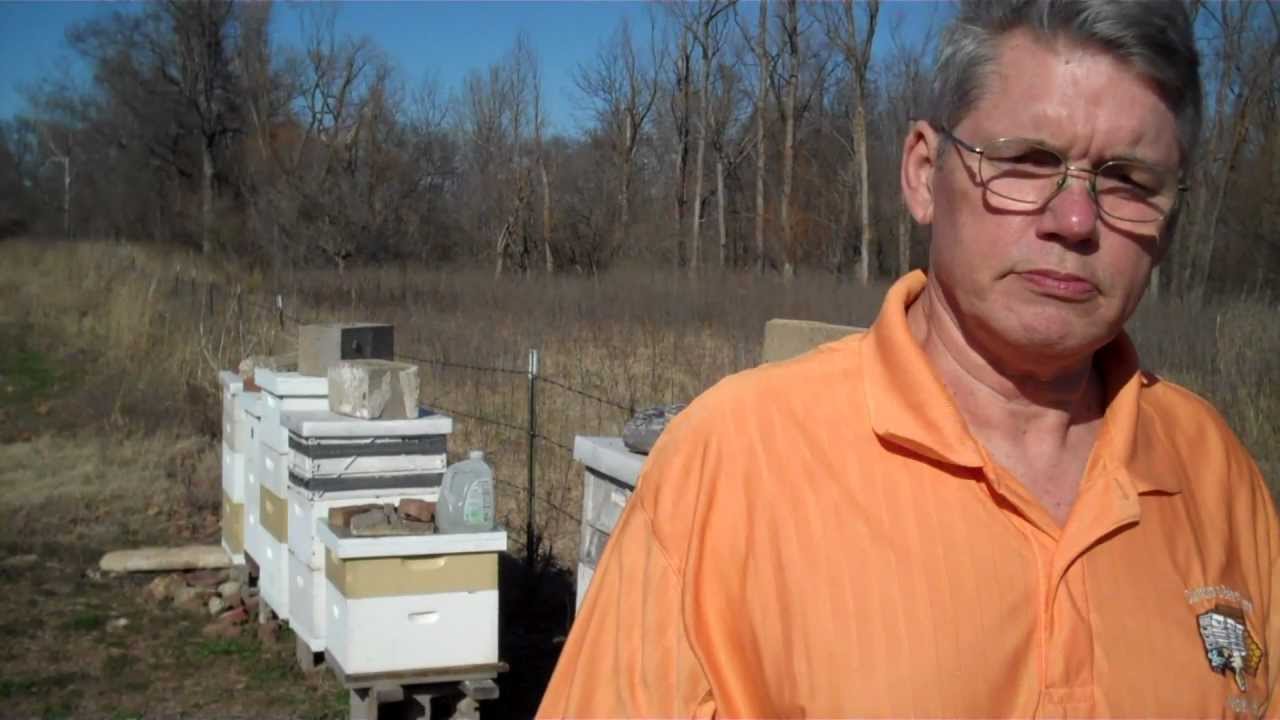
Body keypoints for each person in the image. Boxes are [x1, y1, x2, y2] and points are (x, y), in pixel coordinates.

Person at [537, 1, 1279, 717]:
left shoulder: (1213, 474)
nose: (1076, 219)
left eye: (1126, 180)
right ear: (925, 173)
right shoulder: (736, 462)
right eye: (1026, 161)